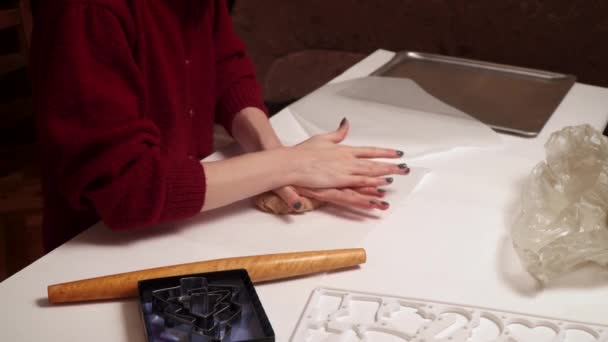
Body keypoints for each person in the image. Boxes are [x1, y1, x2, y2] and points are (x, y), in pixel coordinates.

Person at [31, 0, 410, 252]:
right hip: (96, 243)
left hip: (179, 224)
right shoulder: (86, 11)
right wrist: (290, 165)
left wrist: (272, 153)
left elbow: (225, 67)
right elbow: (128, 188)